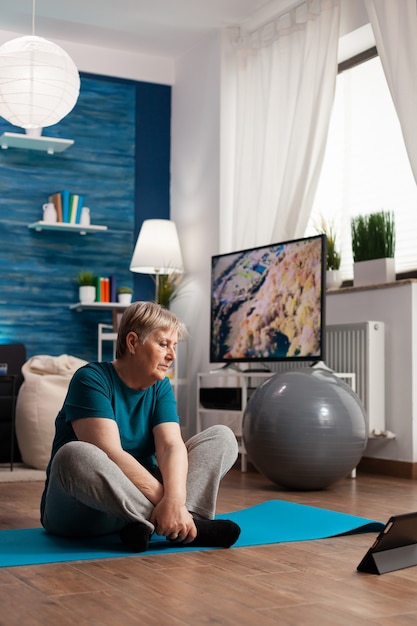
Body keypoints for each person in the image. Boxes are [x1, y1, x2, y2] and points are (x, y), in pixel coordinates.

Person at [40, 301, 240, 552]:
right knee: (74, 454)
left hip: (131, 510)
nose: (172, 355)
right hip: (82, 511)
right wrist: (170, 504)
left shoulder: (160, 386)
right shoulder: (90, 379)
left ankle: (148, 523)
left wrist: (176, 500)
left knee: (222, 437)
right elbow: (112, 454)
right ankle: (189, 524)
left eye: (174, 346)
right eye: (163, 344)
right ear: (132, 342)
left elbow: (170, 446)